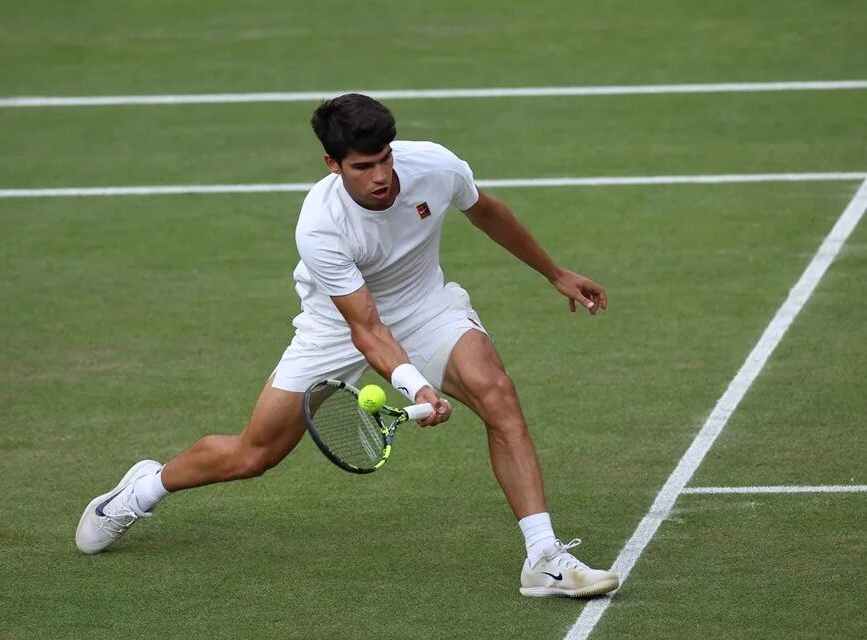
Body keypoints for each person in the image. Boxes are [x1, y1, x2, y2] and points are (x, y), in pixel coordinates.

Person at [75, 93, 618, 598]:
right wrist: (416, 386)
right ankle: (142, 491)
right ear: (333, 164)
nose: (381, 177)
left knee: (498, 395)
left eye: (384, 159)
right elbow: (366, 329)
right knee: (253, 454)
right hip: (336, 328)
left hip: (425, 306)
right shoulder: (320, 225)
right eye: (363, 166)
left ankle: (542, 557)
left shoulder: (434, 165)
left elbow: (486, 211)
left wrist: (554, 272)